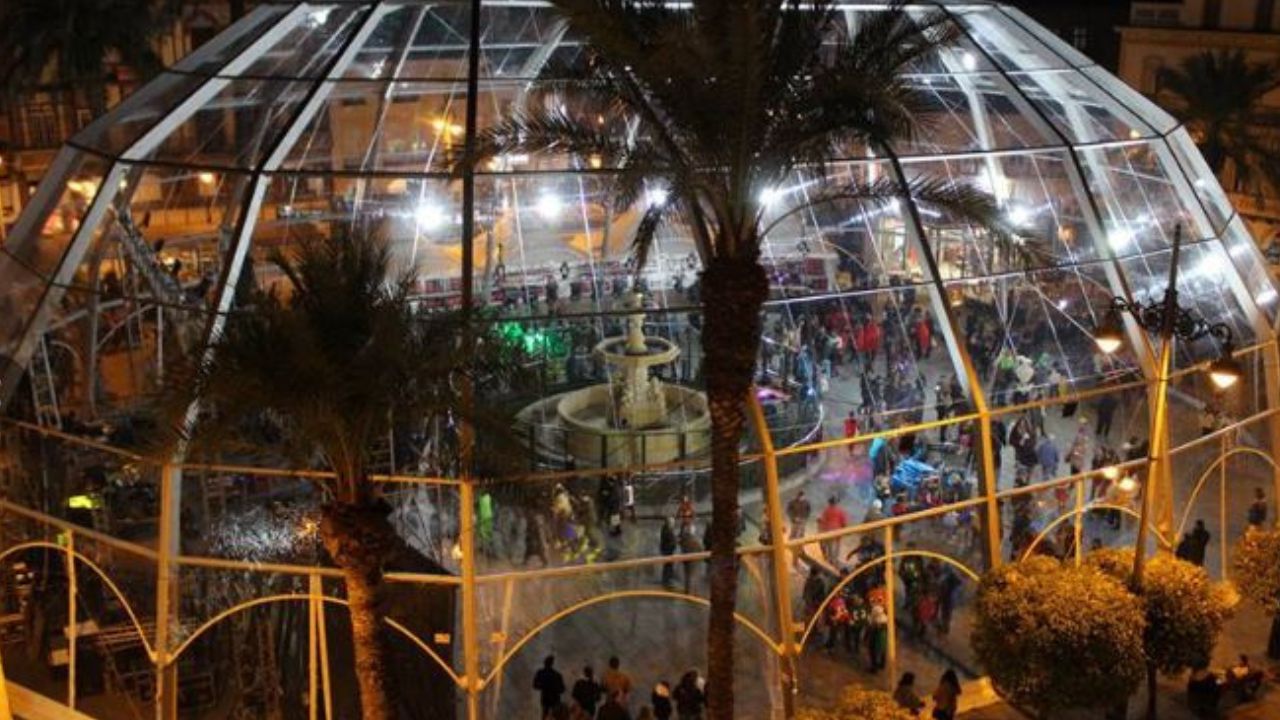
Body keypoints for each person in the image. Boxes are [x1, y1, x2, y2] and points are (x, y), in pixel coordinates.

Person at [817, 496, 848, 563]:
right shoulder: (840, 511)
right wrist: (843, 530)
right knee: (836, 546)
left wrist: (821, 525)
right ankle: (834, 559)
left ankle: (830, 559)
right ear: (836, 503)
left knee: (830, 546)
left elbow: (823, 520)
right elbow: (844, 522)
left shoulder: (827, 510)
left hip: (829, 531)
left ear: (830, 502)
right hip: (838, 532)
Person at [660, 517, 678, 589]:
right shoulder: (668, 531)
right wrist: (675, 541)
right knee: (668, 566)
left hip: (666, 550)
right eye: (673, 523)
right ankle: (667, 580)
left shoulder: (665, 528)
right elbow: (671, 541)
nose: (673, 525)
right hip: (668, 550)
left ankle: (666, 579)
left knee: (667, 565)